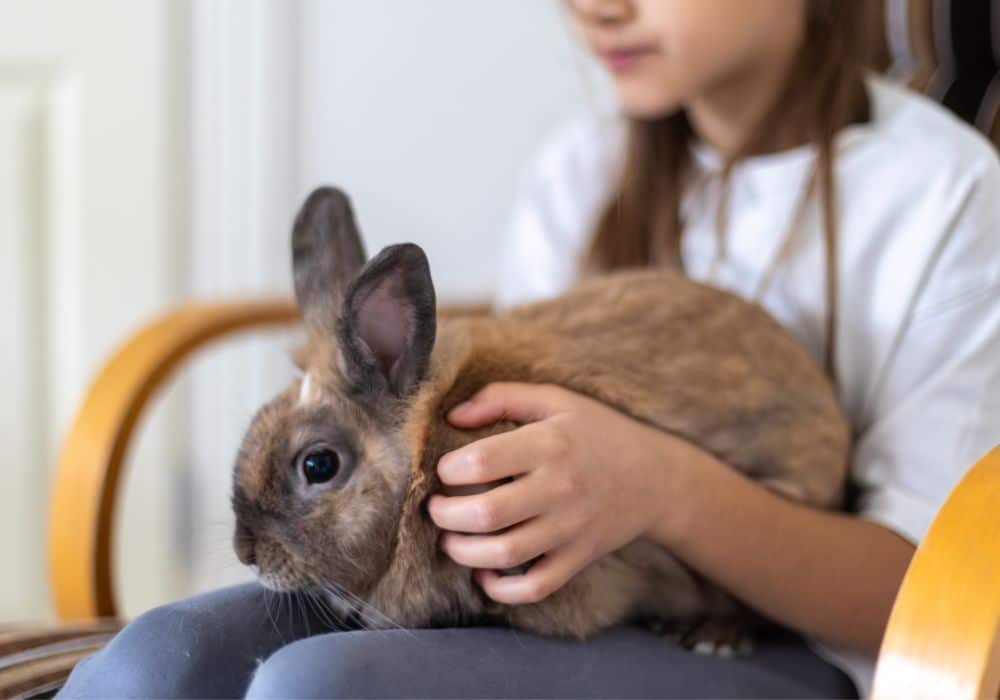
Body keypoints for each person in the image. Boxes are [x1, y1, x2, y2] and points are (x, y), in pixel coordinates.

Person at [58, 1, 1000, 698]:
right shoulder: (578, 172)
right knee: (158, 661)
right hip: (550, 613)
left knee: (319, 686)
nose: (596, 7)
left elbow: (925, 592)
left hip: (797, 646)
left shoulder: (943, 195)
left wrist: (659, 486)